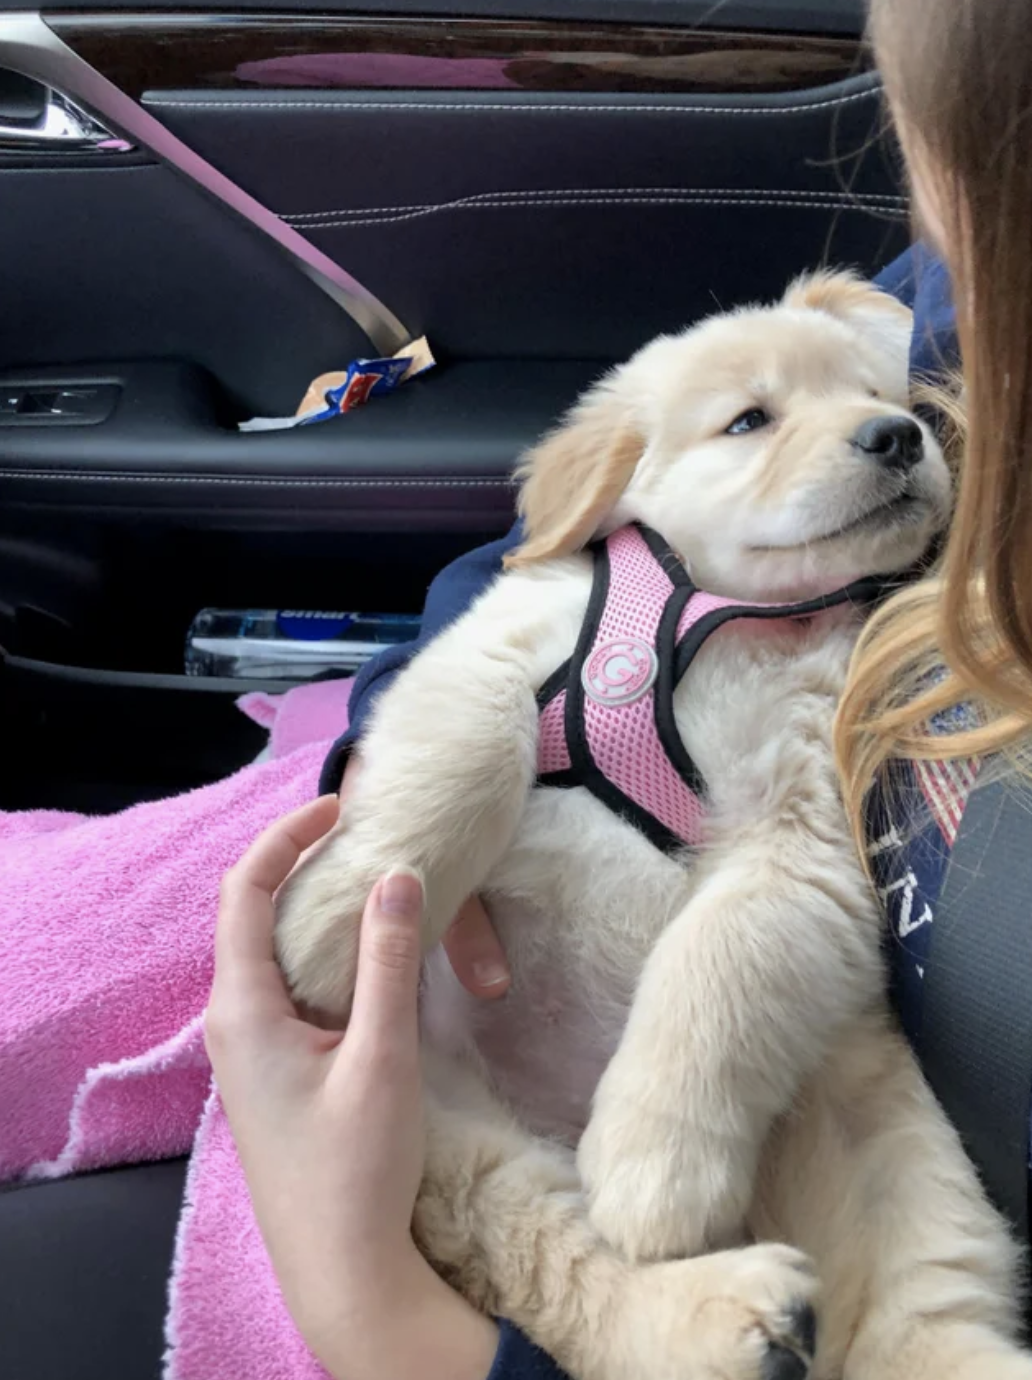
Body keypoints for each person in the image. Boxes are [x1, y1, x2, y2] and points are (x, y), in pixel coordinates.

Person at [207, 0, 1032, 1374]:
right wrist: (394, 800)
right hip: (462, 1043)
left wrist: (393, 1325)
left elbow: (796, 895)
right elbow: (523, 563)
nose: (891, 427)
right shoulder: (956, 300)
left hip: (746, 1196)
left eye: (921, 123)